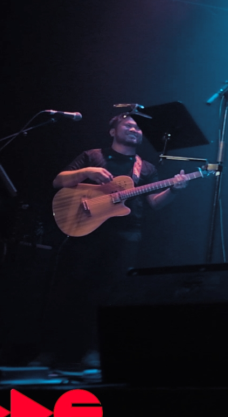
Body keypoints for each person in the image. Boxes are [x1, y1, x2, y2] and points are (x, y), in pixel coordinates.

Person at [39, 113, 187, 367]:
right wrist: (86, 172)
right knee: (68, 290)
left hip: (126, 235)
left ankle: (94, 351)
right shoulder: (92, 156)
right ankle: (51, 351)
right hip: (85, 231)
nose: (135, 129)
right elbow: (58, 181)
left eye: (138, 128)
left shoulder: (145, 167)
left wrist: (173, 189)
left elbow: (155, 203)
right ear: (112, 131)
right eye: (128, 125)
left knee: (108, 294)